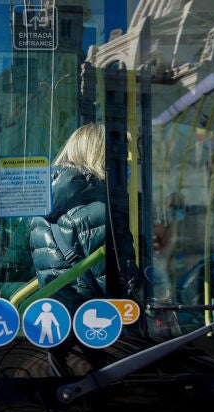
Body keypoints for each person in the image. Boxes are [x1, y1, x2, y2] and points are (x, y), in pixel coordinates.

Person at [29, 123, 138, 311]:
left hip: (57, 314)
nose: (126, 162)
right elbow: (122, 285)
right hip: (94, 318)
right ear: (103, 159)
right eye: (120, 156)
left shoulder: (41, 210)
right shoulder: (101, 211)